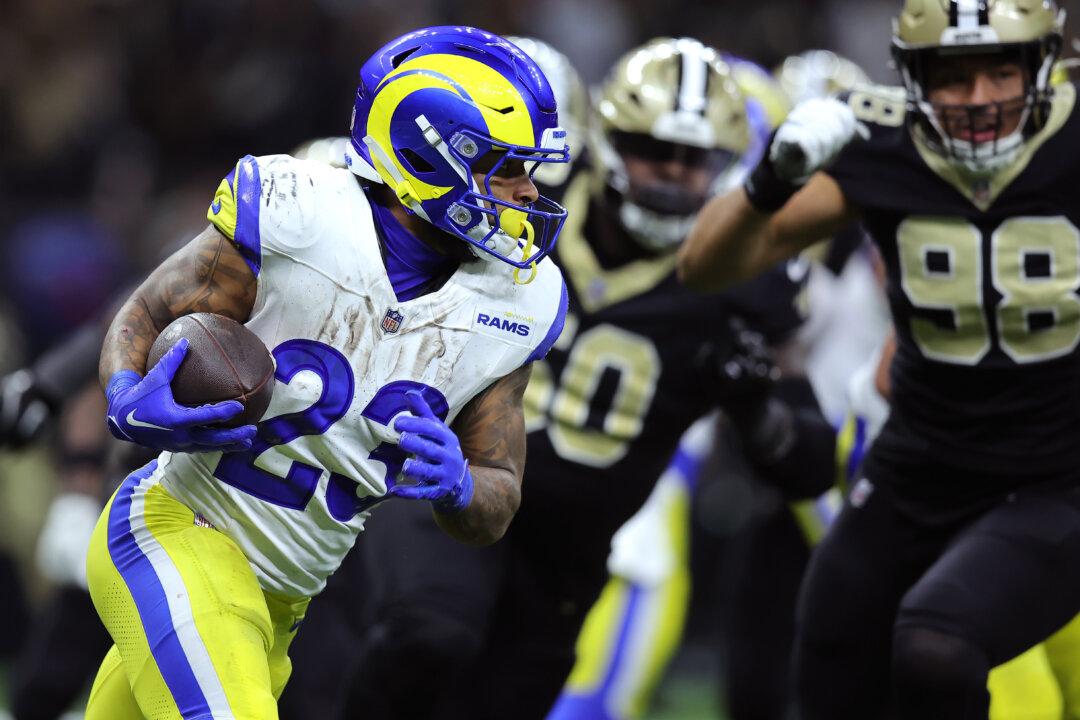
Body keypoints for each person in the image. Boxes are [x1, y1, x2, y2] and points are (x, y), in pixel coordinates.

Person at [340, 36, 836, 720]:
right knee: (431, 631)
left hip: (565, 559)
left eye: (692, 160)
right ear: (603, 139)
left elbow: (808, 464)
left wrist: (756, 409)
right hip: (454, 481)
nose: (667, 175)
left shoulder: (746, 283)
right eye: (649, 149)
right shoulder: (519, 206)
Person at [83, 25, 570, 720]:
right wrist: (128, 394)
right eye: (505, 167)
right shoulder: (299, 211)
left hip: (283, 602)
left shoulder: (522, 300)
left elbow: (499, 492)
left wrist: (464, 488)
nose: (526, 193)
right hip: (179, 531)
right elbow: (146, 312)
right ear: (427, 157)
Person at [678, 1, 1080, 717]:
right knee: (829, 652)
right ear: (913, 78)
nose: (981, 99)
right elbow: (705, 267)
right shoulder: (885, 146)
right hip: (920, 464)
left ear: (1042, 65)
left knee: (936, 643)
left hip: (1058, 472)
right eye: (954, 77)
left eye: (1000, 70)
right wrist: (769, 181)